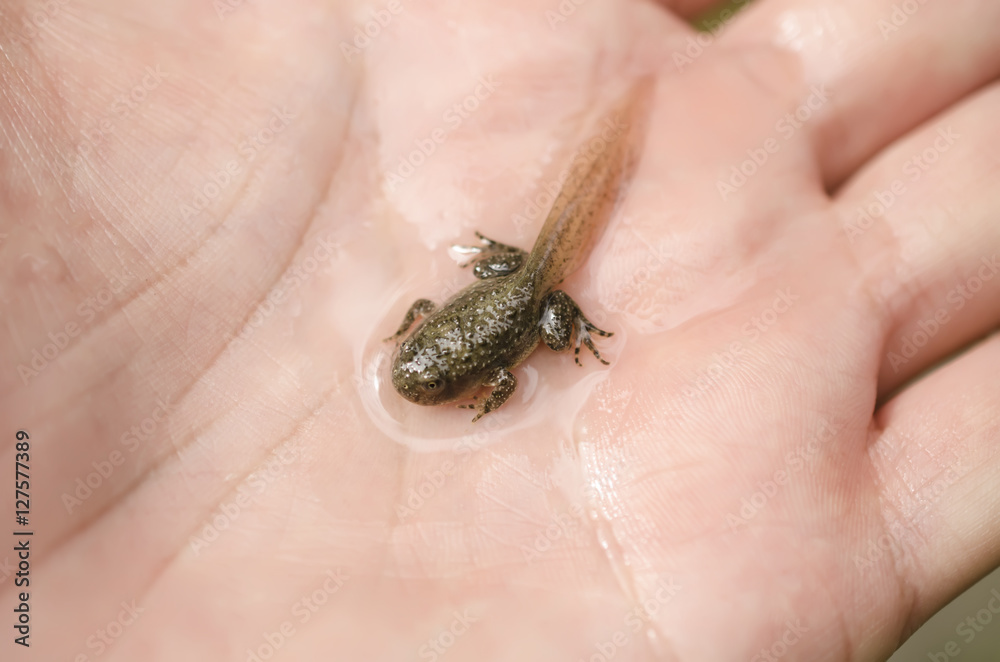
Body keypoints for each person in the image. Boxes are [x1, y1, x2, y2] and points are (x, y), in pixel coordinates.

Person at [2, 0, 998, 659]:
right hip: (515, 274)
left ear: (425, 353)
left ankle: (569, 301)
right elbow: (454, 339)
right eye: (421, 368)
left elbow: (490, 361)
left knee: (554, 310)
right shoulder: (437, 337)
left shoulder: (476, 343)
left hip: (529, 285)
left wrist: (553, 341)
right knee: (539, 286)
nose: (417, 370)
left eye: (420, 369)